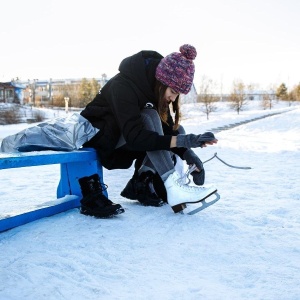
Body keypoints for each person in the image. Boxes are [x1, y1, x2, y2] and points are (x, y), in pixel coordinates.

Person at [79, 44, 218, 218]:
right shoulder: (123, 85)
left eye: (178, 95)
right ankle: (172, 185)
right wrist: (185, 141)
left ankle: (142, 183)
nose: (173, 98)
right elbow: (136, 137)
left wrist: (188, 154)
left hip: (128, 137)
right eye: (173, 91)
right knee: (149, 117)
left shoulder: (154, 90)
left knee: (176, 129)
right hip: (101, 138)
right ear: (162, 82)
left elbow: (168, 131)